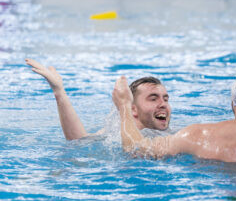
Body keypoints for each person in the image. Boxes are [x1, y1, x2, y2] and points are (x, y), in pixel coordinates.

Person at [26, 58, 171, 140]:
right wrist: (59, 92)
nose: (163, 104)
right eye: (153, 99)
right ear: (132, 108)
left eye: (165, 99)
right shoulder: (114, 136)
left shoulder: (174, 136)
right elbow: (79, 142)